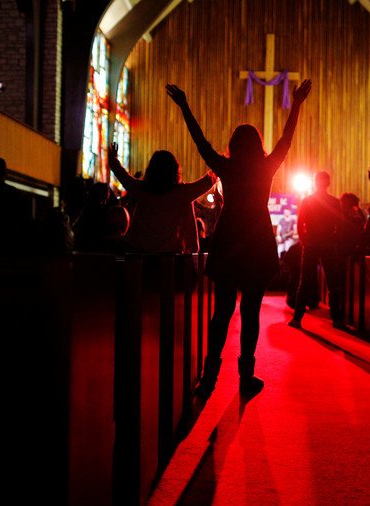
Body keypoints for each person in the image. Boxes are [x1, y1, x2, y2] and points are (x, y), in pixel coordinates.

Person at [166, 78, 312, 399]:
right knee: (250, 313)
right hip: (257, 238)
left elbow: (200, 142)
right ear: (257, 144)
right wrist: (297, 104)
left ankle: (209, 377)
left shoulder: (227, 167)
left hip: (230, 237)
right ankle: (246, 377)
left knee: (222, 311)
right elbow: (286, 140)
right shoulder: (266, 167)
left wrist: (186, 107)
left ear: (233, 145)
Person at [108, 143, 215, 254]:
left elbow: (122, 174)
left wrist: (113, 159)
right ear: (175, 170)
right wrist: (223, 162)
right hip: (170, 257)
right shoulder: (183, 193)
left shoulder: (141, 189)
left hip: (139, 253)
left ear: (151, 169)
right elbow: (209, 180)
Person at [289, 171, 345, 329]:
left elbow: (301, 223)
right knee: (332, 282)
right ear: (328, 183)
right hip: (326, 244)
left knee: (305, 281)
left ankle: (297, 318)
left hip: (312, 243)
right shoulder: (333, 201)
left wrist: (304, 239)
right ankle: (337, 319)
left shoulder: (308, 200)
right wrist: (333, 239)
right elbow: (340, 224)